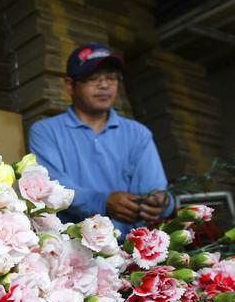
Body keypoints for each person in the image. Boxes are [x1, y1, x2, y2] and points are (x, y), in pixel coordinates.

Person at [27, 42, 172, 236]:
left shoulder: (138, 134)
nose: (104, 85)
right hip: (69, 246)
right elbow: (51, 189)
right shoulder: (45, 132)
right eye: (93, 78)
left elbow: (155, 190)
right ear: (70, 85)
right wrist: (103, 202)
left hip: (130, 247)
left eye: (111, 78)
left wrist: (161, 202)